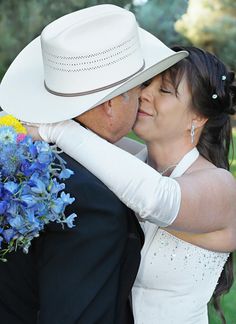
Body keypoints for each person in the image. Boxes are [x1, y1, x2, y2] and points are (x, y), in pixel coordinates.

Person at [0, 4, 188, 324]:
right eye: (139, 87)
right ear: (113, 105)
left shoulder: (20, 162)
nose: (144, 97)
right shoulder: (91, 201)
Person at [31, 46, 236, 324]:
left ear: (198, 117)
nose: (144, 94)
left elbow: (154, 199)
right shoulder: (126, 161)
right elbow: (89, 140)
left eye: (164, 91)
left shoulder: (221, 186)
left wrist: (55, 128)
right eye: (146, 83)